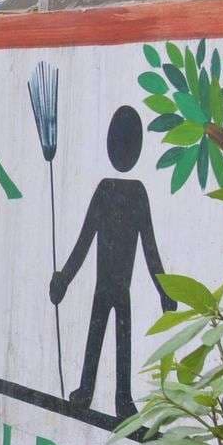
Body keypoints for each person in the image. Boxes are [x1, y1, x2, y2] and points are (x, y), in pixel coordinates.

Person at [49, 104, 171, 418]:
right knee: (99, 333)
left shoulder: (134, 193)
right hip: (106, 286)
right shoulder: (107, 191)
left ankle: (122, 398)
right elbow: (84, 241)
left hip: (119, 285)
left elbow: (149, 248)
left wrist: (164, 290)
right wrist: (64, 277)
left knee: (120, 339)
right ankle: (88, 389)